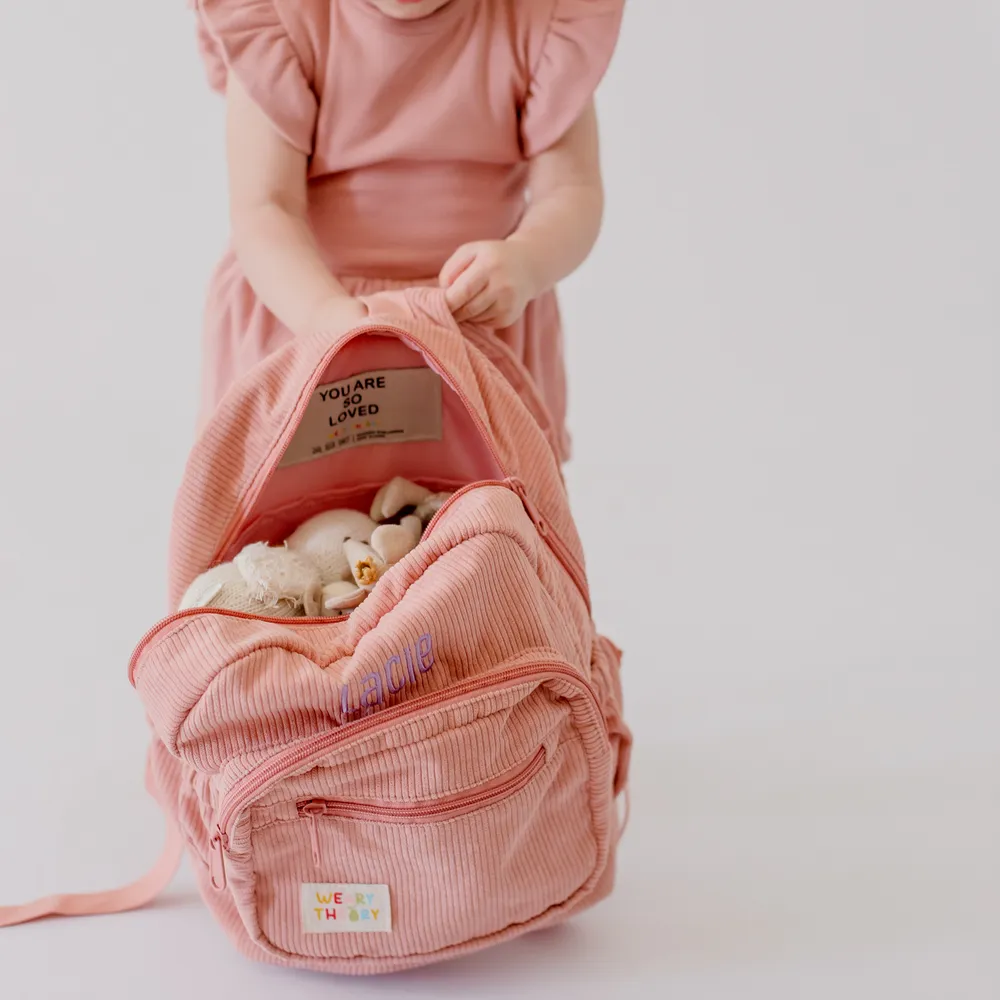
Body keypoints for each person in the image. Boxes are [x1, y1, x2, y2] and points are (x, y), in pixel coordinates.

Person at [192, 0, 624, 460]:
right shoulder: (280, 17)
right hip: (307, 308)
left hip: (476, 314)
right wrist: (322, 316)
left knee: (493, 515)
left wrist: (527, 259)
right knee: (296, 517)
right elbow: (265, 208)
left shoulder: (543, 18)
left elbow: (572, 190)